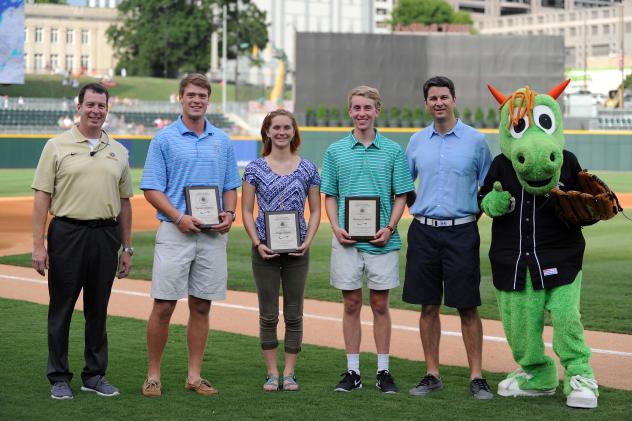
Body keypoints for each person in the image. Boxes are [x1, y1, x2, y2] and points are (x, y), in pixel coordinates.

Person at [140, 73, 241, 398]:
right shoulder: (164, 139)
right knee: (164, 305)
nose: (196, 100)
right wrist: (177, 216)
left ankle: (194, 376)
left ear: (208, 100)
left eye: (202, 95)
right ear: (180, 98)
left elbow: (230, 187)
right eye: (191, 95)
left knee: (201, 305)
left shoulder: (222, 140)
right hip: (175, 231)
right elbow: (152, 188)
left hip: (212, 235)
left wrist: (230, 214)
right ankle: (153, 374)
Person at [31, 82, 133, 400]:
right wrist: (38, 244)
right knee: (61, 308)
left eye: (101, 106)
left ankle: (95, 374)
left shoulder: (119, 151)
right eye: (90, 104)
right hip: (67, 233)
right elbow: (42, 197)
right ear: (78, 107)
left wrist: (126, 247)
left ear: (107, 110)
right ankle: (59, 377)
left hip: (105, 234)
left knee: (98, 309)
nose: (96, 111)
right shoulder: (57, 146)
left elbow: (125, 202)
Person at [402, 76, 493, 399]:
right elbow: (403, 183)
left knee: (467, 306)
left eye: (444, 97)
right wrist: (418, 208)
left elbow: (487, 188)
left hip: (462, 232)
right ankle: (431, 374)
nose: (438, 102)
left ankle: (477, 376)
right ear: (426, 103)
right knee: (428, 306)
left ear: (454, 99)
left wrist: (469, 218)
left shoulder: (476, 141)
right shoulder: (416, 141)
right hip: (424, 232)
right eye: (433, 98)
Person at [321, 86, 414, 394]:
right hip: (347, 240)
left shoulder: (393, 151)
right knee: (350, 304)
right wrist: (335, 227)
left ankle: (383, 371)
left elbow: (402, 195)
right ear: (350, 111)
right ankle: (352, 372)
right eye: (356, 108)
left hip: (381, 240)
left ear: (377, 110)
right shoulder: (335, 150)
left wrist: (388, 227)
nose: (362, 113)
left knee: (380, 304)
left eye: (367, 107)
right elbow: (330, 195)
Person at [241, 109, 321, 392]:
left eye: (287, 127)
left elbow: (315, 212)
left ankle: (289, 372)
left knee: (294, 313)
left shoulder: (308, 168)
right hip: (265, 250)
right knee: (268, 313)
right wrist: (257, 243)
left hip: (297, 251)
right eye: (276, 127)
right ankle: (272, 372)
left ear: (294, 131)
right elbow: (247, 212)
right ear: (267, 131)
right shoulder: (254, 168)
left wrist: (308, 241)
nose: (282, 132)